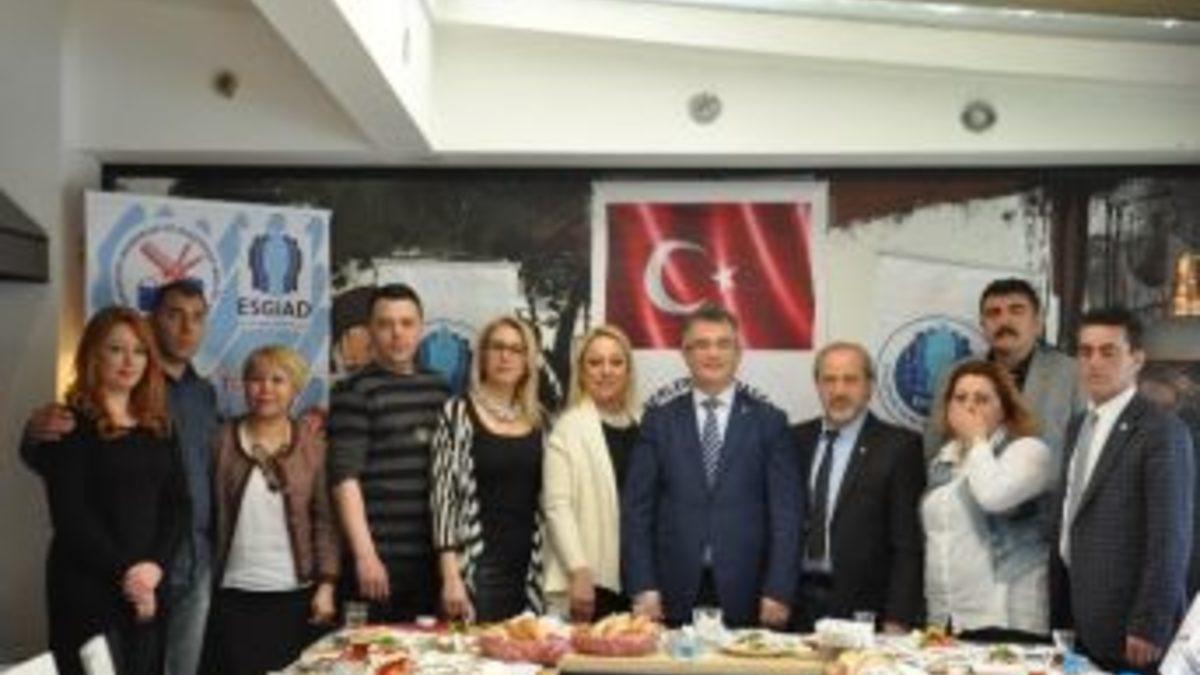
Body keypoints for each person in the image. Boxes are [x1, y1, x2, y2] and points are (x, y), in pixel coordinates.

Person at [23, 280, 218, 675]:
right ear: (94, 354)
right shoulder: (68, 423)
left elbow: (178, 503)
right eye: (116, 349)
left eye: (139, 351)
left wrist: (152, 570)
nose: (129, 361)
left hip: (154, 582)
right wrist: (129, 575)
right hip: (90, 589)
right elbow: (71, 516)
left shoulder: (161, 422)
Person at [622, 304, 801, 628]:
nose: (713, 353)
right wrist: (643, 584)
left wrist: (779, 588)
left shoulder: (769, 422)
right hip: (670, 593)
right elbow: (637, 511)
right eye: (701, 344)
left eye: (723, 344)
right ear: (685, 354)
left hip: (748, 592)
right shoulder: (659, 421)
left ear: (738, 352)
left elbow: (786, 514)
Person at [1050, 307, 1194, 672]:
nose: (1094, 363)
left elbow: (1171, 537)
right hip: (1080, 617)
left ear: (1137, 360)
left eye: (1108, 351)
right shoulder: (1078, 425)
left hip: (1132, 629)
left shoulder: (1161, 431)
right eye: (1085, 352)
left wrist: (1150, 622)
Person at [204, 346, 339, 674]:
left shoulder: (313, 446)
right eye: (256, 379)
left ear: (295, 388)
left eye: (278, 380)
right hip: (232, 592)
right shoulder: (219, 441)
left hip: (295, 595)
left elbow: (325, 522)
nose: (265, 389)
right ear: (243, 385)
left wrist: (327, 584)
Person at [327, 283, 451, 622]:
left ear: (421, 328)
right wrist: (365, 556)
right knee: (369, 652)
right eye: (385, 324)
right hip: (376, 566)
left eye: (406, 323)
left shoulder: (440, 389)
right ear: (370, 330)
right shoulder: (354, 391)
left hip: (431, 564)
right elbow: (344, 479)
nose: (397, 333)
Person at [792, 342, 924, 632]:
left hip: (864, 607)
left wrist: (898, 617)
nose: (839, 390)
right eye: (829, 380)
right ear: (817, 385)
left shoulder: (899, 447)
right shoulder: (794, 440)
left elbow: (908, 544)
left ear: (869, 387)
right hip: (797, 604)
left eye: (850, 380)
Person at [923, 359, 1053, 639]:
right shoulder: (943, 459)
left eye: (981, 399)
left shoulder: (1029, 451)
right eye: (960, 398)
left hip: (1005, 616)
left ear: (1004, 410)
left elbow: (993, 496)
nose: (969, 407)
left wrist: (978, 440)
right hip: (947, 616)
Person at [432, 316, 547, 622]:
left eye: (516, 349)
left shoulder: (541, 420)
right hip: (477, 567)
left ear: (527, 361)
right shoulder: (457, 413)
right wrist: (451, 576)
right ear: (482, 355)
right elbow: (443, 498)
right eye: (497, 347)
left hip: (531, 568)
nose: (505, 356)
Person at [925, 278, 1084, 464]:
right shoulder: (954, 375)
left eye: (1016, 311)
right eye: (994, 313)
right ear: (983, 325)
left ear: (1038, 323)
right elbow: (935, 451)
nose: (1004, 321)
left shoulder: (1073, 375)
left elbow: (1085, 453)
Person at [542, 324, 639, 622]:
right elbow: (557, 507)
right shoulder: (568, 428)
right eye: (595, 363)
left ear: (628, 371)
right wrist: (578, 570)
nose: (606, 371)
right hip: (590, 582)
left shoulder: (644, 425)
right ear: (582, 372)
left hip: (639, 581)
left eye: (616, 362)